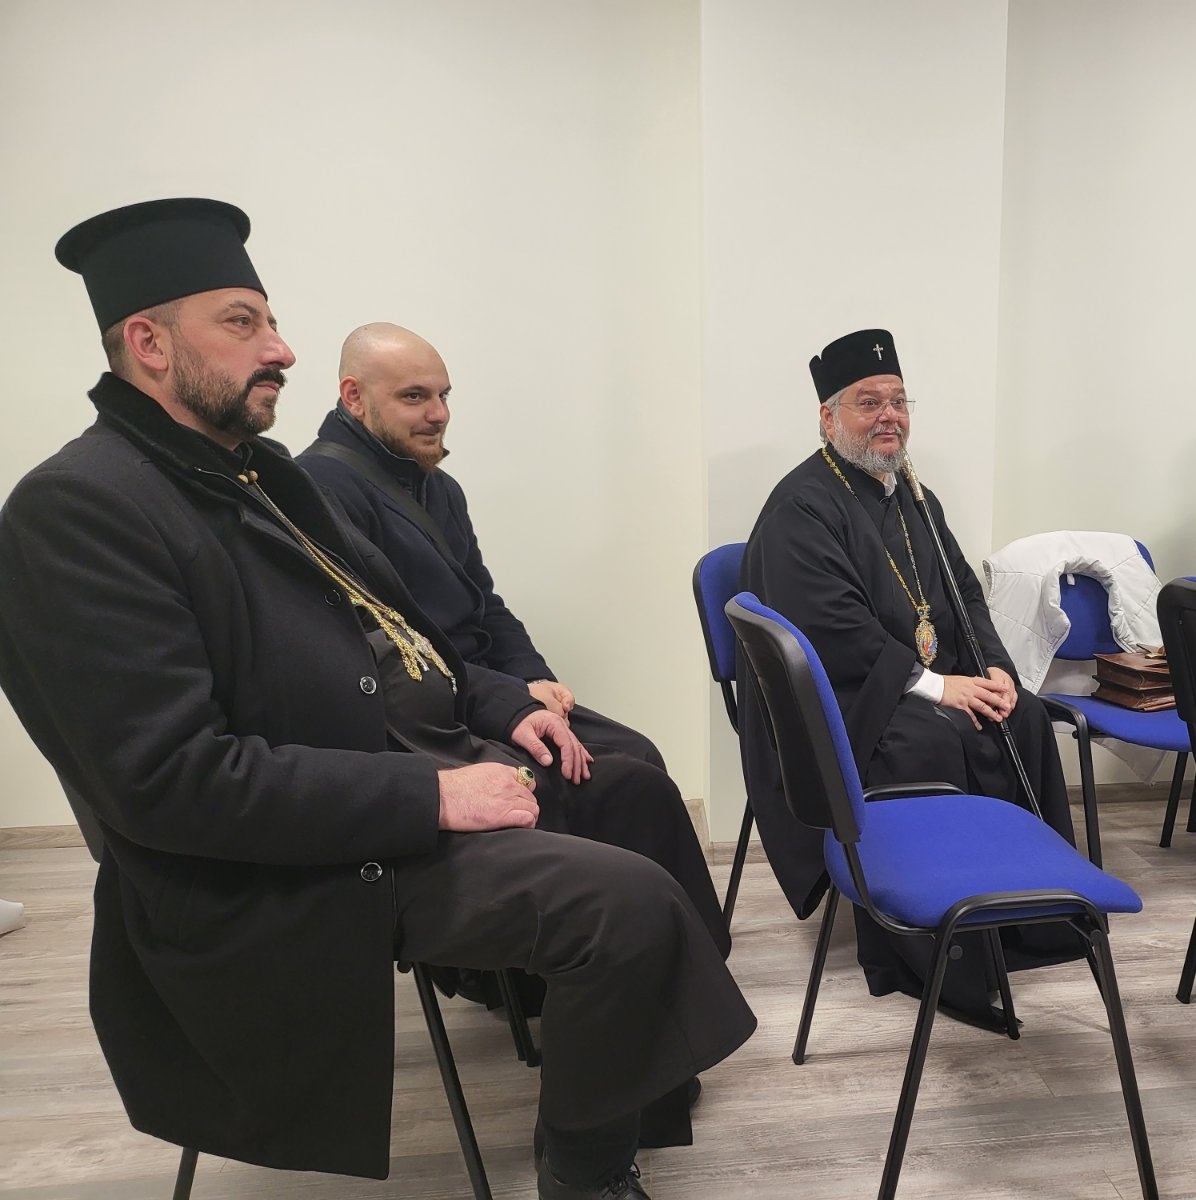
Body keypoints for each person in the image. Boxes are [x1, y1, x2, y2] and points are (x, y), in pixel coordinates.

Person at [0, 199, 754, 1200]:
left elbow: (402, 633)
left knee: (636, 792)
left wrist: (500, 705)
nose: (281, 349)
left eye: (271, 322)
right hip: (290, 864)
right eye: (242, 323)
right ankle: (588, 1177)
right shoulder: (78, 507)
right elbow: (169, 784)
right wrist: (434, 796)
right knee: (625, 904)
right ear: (147, 343)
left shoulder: (259, 472)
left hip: (395, 771)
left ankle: (634, 1077)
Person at [740, 328, 1085, 1029]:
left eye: (898, 401)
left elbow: (963, 593)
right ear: (828, 417)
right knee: (929, 737)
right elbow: (832, 630)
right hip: (842, 703)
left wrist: (993, 668)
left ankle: (1027, 920)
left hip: (909, 681)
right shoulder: (800, 508)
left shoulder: (913, 496)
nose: (889, 417)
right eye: (869, 403)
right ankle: (933, 954)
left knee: (1019, 715)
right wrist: (937, 686)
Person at [299, 322, 664, 771]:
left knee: (639, 753)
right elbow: (379, 650)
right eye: (414, 397)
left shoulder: (440, 489)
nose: (439, 414)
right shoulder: (319, 491)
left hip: (489, 689)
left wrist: (533, 676)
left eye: (444, 395)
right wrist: (509, 701)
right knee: (625, 779)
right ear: (354, 396)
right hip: (425, 717)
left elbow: (485, 603)